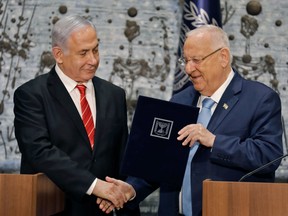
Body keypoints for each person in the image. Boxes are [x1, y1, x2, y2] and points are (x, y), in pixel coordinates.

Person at [124, 25, 284, 216]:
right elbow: (160, 162)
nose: (189, 69)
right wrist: (130, 189)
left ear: (223, 57)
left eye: (197, 60)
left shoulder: (260, 98)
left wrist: (214, 141)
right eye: (186, 61)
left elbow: (269, 155)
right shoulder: (179, 101)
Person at [13, 14, 139, 216]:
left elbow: (121, 157)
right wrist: (95, 186)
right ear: (59, 54)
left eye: (95, 50)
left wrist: (122, 193)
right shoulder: (31, 95)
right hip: (54, 208)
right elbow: (39, 152)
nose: (93, 60)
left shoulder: (114, 95)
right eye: (83, 53)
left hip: (106, 210)